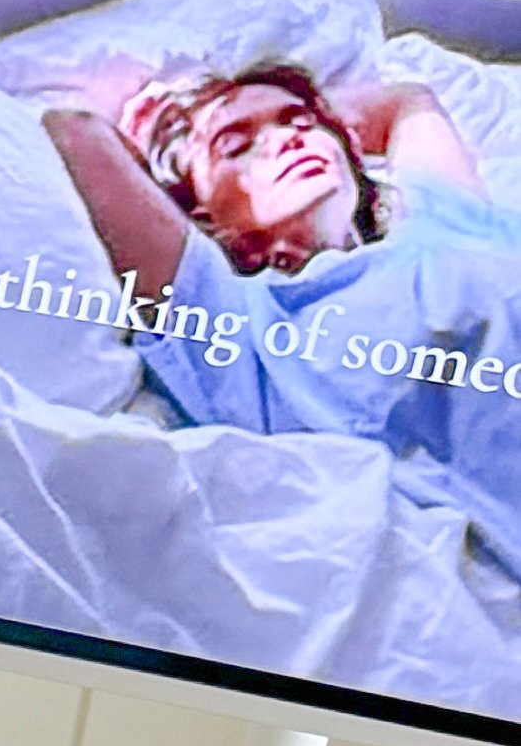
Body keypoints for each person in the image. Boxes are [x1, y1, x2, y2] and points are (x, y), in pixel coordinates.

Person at [41, 53, 521, 569]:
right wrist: (167, 137)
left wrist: (312, 114)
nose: (286, 141)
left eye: (300, 123)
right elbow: (73, 129)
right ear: (203, 211)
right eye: (237, 147)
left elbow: (408, 102)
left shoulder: (444, 223)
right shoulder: (235, 324)